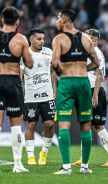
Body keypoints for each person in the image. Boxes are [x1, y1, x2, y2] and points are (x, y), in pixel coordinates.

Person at [51, 9, 99, 174]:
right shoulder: (86, 38)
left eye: (58, 18)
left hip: (67, 82)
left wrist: (61, 73)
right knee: (85, 125)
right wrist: (82, 69)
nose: (56, 21)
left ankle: (66, 167)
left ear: (64, 20)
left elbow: (54, 63)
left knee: (64, 123)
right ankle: (84, 166)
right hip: (83, 82)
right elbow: (96, 62)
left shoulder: (59, 39)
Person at [71, 28, 108, 166]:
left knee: (98, 126)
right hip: (85, 91)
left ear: (95, 41)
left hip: (93, 91)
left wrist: (95, 95)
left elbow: (99, 74)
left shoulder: (96, 53)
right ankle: (83, 158)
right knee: (85, 124)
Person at [0, 7, 34, 172]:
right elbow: (29, 64)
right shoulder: (21, 39)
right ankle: (18, 165)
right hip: (13, 82)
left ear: (2, 19)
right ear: (17, 22)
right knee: (15, 125)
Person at [20, 28, 56, 165]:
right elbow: (20, 75)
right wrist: (20, 93)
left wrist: (54, 89)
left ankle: (44, 153)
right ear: (31, 40)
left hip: (47, 96)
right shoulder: (25, 55)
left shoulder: (49, 52)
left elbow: (53, 71)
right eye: (39, 39)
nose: (42, 42)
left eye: (43, 39)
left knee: (50, 124)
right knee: (31, 125)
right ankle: (30, 156)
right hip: (30, 97)